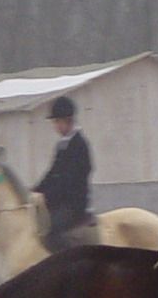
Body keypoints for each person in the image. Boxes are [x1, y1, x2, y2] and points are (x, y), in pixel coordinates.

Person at [32, 95, 93, 252]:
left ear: (68, 121)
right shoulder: (62, 145)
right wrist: (36, 190)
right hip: (60, 202)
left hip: (73, 204)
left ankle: (68, 264)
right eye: (55, 122)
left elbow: (69, 180)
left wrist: (47, 196)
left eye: (57, 122)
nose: (56, 126)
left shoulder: (79, 145)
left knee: (51, 232)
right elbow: (52, 173)